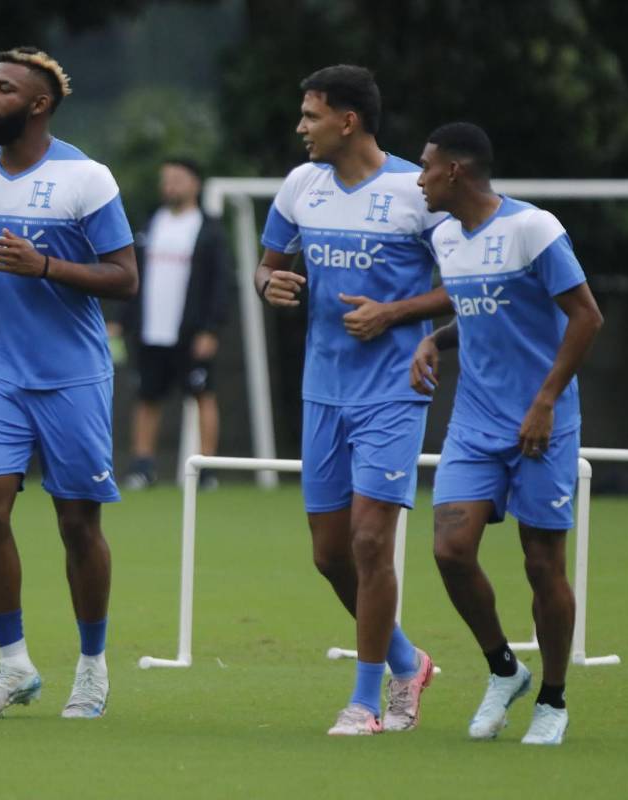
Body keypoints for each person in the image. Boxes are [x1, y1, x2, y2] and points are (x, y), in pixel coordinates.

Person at [256, 65, 450, 735]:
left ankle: (367, 702)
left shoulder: (414, 190)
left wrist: (395, 313)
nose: (300, 128)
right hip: (323, 391)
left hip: (394, 392)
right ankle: (408, 659)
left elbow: (469, 282)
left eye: (310, 116)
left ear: (348, 121)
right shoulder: (300, 184)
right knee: (330, 555)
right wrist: (270, 285)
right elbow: (270, 262)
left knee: (372, 542)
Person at [0, 47, 138, 719]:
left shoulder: (86, 178)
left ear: (39, 105)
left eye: (3, 89)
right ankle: (13, 665)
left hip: (72, 377)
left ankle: (91, 668)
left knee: (78, 525)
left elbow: (125, 277)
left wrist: (47, 266)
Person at [411, 122, 603, 745]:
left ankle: (552, 699)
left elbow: (586, 316)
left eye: (427, 167)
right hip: (475, 421)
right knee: (449, 550)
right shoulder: (445, 236)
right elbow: (480, 313)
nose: (420, 179)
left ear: (457, 172)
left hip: (542, 423)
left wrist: (546, 401)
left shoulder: (532, 228)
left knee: (542, 565)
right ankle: (503, 669)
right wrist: (434, 340)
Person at [115, 158, 230, 491]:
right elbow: (132, 276)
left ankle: (207, 469)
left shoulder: (208, 230)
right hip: (151, 331)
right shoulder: (151, 224)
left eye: (177, 179)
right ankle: (142, 467)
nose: (170, 186)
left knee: (202, 395)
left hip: (191, 332)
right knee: (147, 396)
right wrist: (123, 321)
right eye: (166, 179)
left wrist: (211, 328)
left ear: (194, 183)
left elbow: (219, 283)